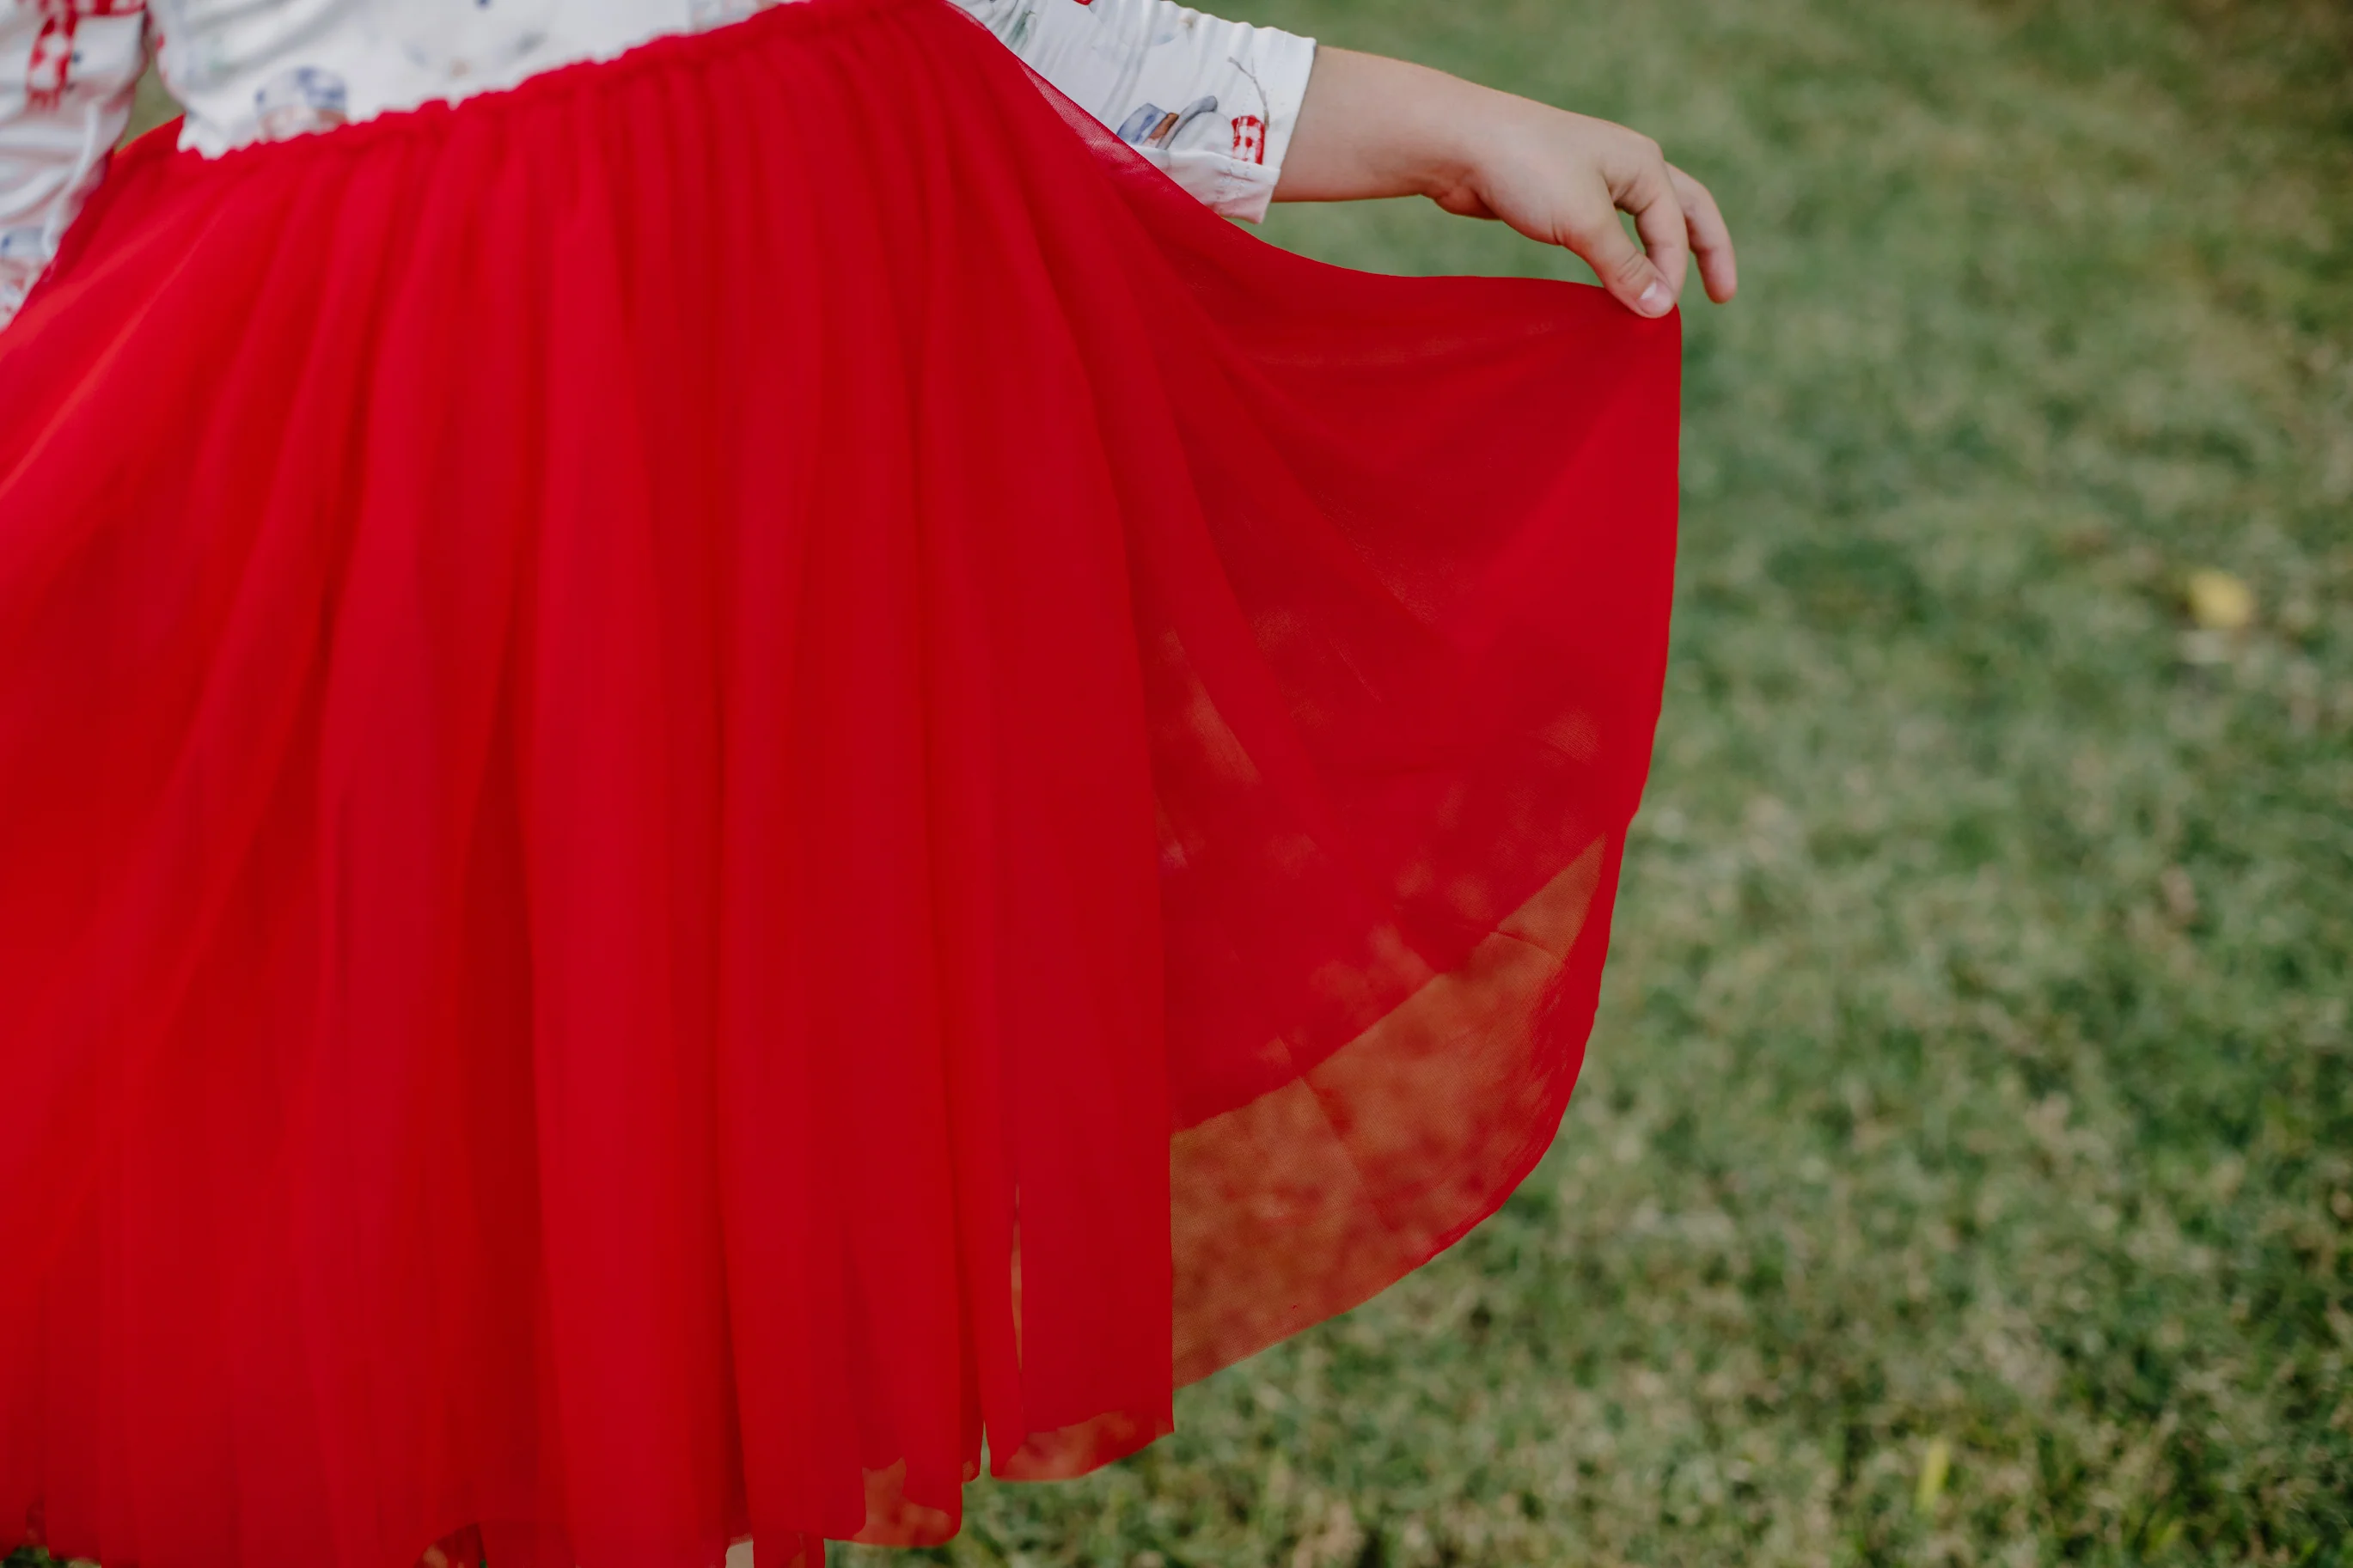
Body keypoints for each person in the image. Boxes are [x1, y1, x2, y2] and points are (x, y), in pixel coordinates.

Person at [0, 0, 1733, 1564]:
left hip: (783, 417)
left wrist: (1422, 122)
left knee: (706, 1116)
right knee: (396, 1104)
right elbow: (28, 121)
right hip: (380, 429)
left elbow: (1010, 19)